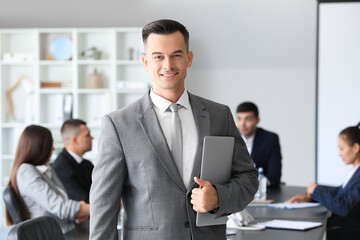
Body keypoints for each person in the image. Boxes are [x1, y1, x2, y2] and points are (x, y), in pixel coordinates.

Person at [90, 19, 258, 240]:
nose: (168, 65)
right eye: (158, 56)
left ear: (189, 58)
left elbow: (248, 177)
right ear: (145, 62)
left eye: (176, 55)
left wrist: (219, 197)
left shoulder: (220, 115)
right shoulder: (119, 125)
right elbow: (104, 205)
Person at [5, 125, 90, 233]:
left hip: (66, 230)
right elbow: (61, 208)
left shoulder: (47, 169)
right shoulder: (26, 172)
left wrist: (79, 213)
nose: (53, 148)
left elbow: (63, 204)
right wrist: (97, 208)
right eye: (50, 145)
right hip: (56, 234)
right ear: (38, 147)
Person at [287, 123, 360, 240]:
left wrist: (316, 190)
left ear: (355, 148)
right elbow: (340, 192)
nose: (339, 153)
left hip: (347, 231)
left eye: (342, 148)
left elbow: (344, 207)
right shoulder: (355, 171)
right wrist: (311, 196)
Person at [236, 101, 282, 187]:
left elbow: (274, 176)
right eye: (239, 119)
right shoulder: (231, 138)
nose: (243, 124)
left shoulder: (270, 139)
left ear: (257, 120)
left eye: (248, 119)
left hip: (261, 192)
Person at [52, 119, 94, 203]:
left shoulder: (87, 164)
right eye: (87, 135)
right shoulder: (61, 168)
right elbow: (82, 200)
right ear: (75, 140)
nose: (92, 138)